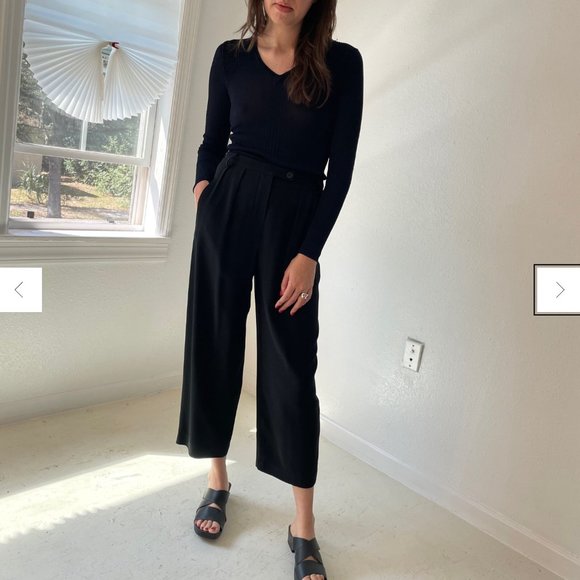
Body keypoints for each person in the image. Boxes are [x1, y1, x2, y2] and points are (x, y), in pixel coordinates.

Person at [176, 1, 363, 578]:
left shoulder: (342, 64)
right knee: (214, 342)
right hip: (228, 208)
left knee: (291, 366)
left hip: (294, 220)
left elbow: (341, 170)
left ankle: (303, 523)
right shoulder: (229, 58)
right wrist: (206, 192)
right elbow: (212, 140)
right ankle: (217, 480)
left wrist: (309, 253)